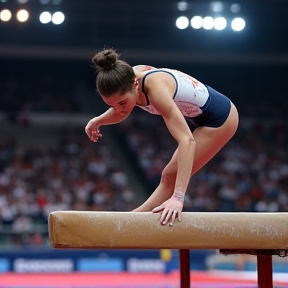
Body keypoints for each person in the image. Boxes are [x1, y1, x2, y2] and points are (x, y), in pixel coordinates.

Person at [85, 48, 239, 227]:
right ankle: (132, 221)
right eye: (112, 105)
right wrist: (98, 120)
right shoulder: (125, 78)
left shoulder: (157, 90)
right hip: (201, 115)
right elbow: (122, 110)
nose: (119, 109)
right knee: (168, 176)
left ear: (135, 85)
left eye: (121, 102)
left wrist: (178, 198)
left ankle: (132, 221)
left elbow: (186, 141)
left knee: (169, 176)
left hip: (221, 119)